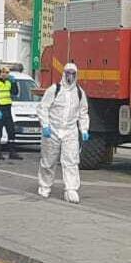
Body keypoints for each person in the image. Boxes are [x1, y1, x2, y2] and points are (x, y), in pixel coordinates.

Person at [36, 62, 90, 203]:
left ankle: (71, 189)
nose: (70, 77)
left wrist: (84, 129)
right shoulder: (54, 90)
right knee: (48, 160)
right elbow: (43, 108)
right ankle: (45, 185)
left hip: (70, 131)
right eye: (68, 73)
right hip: (52, 130)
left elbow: (83, 112)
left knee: (71, 161)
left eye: (73, 74)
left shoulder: (79, 93)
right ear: (63, 74)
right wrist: (46, 125)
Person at [0, 65, 22, 161]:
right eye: (4, 72)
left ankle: (12, 152)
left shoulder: (8, 82)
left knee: (11, 131)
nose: (6, 74)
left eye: (7, 73)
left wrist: (14, 83)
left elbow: (15, 92)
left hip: (7, 109)